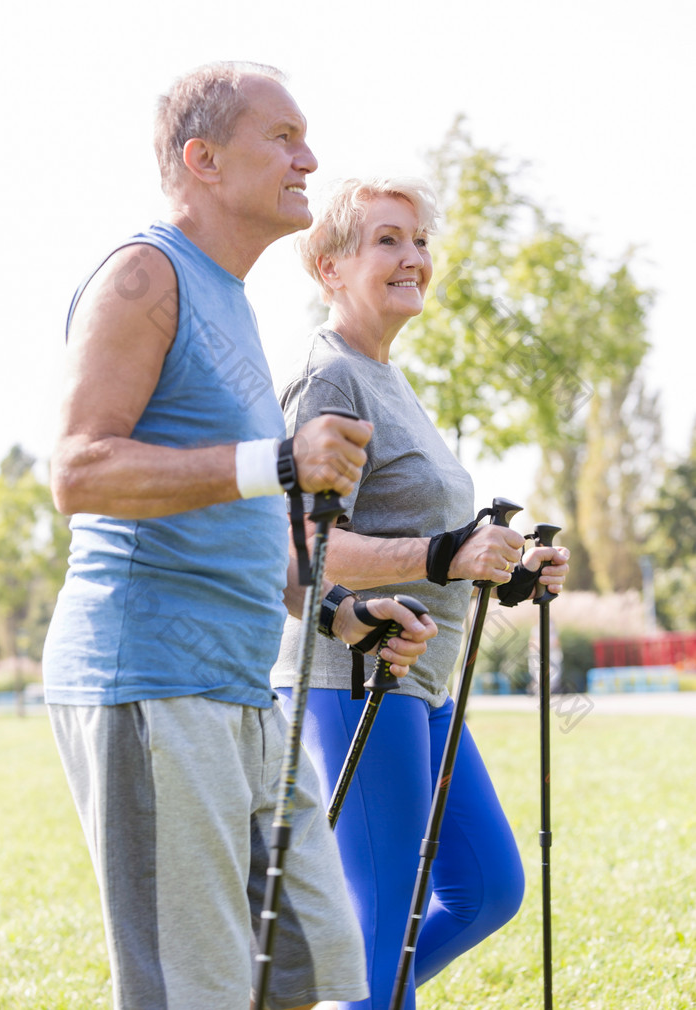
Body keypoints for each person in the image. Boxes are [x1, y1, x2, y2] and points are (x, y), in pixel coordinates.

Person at [42, 65, 437, 1010]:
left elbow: (248, 512)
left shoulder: (231, 298)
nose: (309, 159)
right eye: (285, 138)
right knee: (199, 993)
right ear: (204, 159)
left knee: (309, 962)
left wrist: (341, 610)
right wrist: (279, 461)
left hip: (247, 689)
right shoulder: (145, 275)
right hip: (150, 682)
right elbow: (78, 471)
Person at [271, 177, 571, 1010]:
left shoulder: (388, 377)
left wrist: (505, 571)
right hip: (355, 677)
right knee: (382, 928)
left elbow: (427, 547)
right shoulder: (328, 379)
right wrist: (447, 551)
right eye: (387, 240)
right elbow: (302, 550)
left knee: (488, 889)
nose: (414, 258)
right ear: (328, 266)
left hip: (424, 679)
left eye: (420, 241)